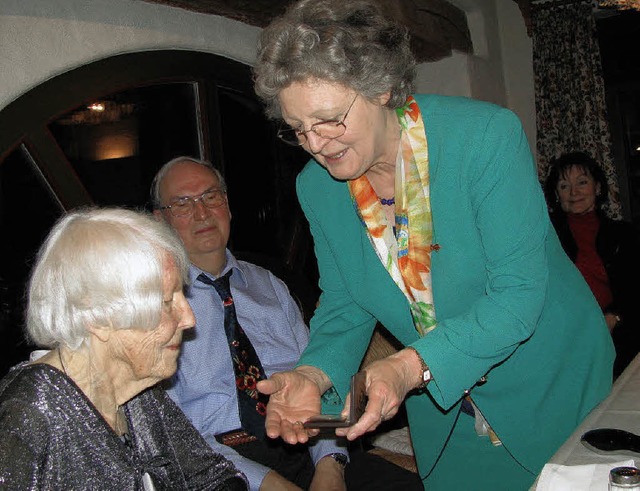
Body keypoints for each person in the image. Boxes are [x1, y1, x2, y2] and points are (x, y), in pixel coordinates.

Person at [251, 0, 616, 489]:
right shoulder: (316, 187)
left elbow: (517, 296)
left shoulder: (484, 138)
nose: (317, 143)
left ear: (381, 87)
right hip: (446, 404)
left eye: (329, 119)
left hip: (548, 381)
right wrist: (314, 373)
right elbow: (345, 302)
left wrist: (407, 367)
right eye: (298, 128)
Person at [151, 156, 421, 491]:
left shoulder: (272, 287)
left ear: (228, 207)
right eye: (182, 203)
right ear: (159, 220)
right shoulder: (153, 305)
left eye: (211, 196)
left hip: (306, 444)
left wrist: (330, 464)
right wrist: (266, 483)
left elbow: (319, 385)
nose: (202, 212)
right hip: (217, 465)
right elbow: (169, 431)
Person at [0, 207, 248, 490]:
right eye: (167, 302)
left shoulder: (137, 393)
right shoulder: (27, 415)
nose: (189, 319)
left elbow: (212, 477)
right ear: (97, 317)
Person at [544, 151, 640, 377]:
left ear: (597, 188)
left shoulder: (623, 234)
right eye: (564, 186)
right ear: (557, 194)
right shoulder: (546, 237)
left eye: (582, 182)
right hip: (564, 338)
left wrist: (615, 316)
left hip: (617, 332)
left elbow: (635, 290)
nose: (574, 192)